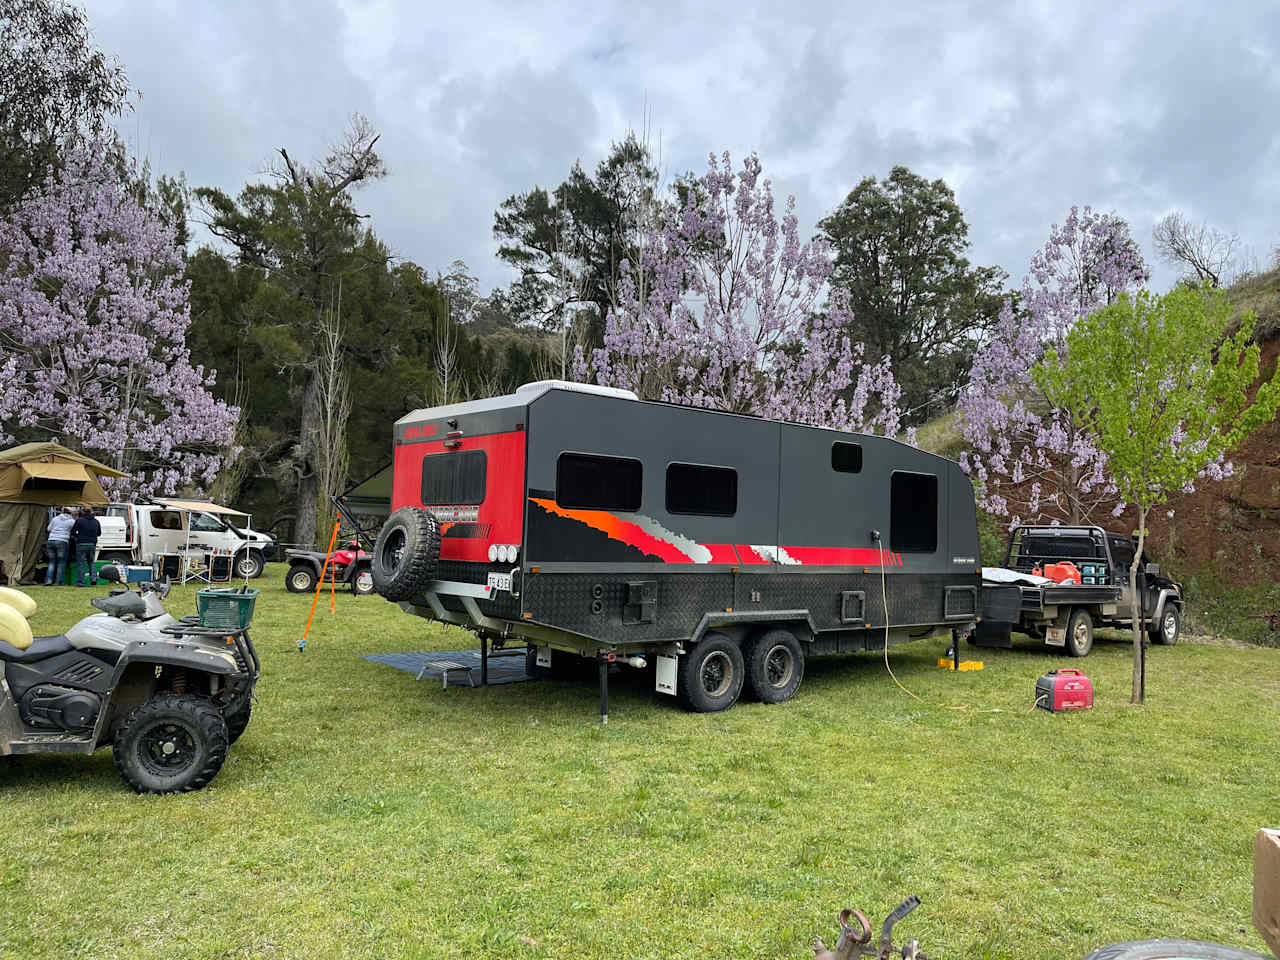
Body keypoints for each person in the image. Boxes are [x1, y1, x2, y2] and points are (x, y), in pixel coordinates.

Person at [44, 507, 75, 586]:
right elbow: (74, 531)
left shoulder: (55, 519)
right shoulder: (71, 521)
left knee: (52, 562)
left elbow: (48, 529)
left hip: (51, 540)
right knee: (61, 562)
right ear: (71, 513)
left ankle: (48, 580)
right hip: (62, 541)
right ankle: (58, 582)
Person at [71, 507, 101, 587]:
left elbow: (73, 532)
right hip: (92, 544)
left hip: (81, 543)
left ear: (83, 512)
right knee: (91, 562)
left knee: (81, 563)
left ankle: (81, 582)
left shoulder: (79, 520)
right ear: (91, 512)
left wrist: (78, 537)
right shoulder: (96, 521)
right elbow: (99, 533)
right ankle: (93, 579)